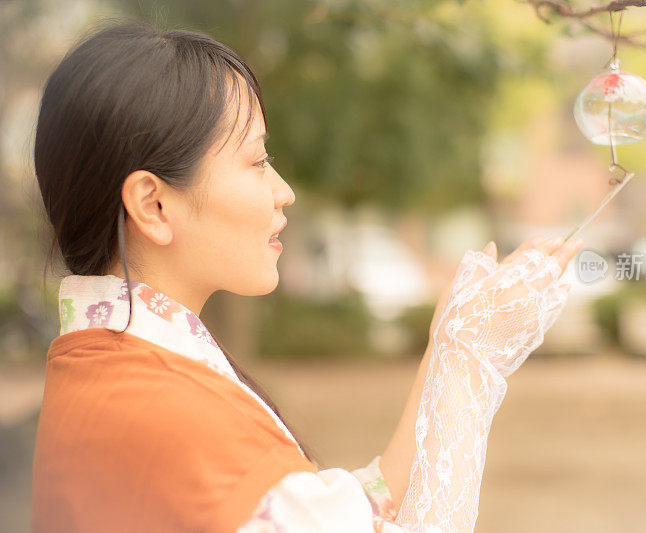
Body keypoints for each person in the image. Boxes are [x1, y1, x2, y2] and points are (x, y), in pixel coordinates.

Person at [29, 21, 583, 533]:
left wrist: (446, 349)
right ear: (153, 205)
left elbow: (348, 510)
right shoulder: (176, 419)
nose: (283, 190)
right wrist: (470, 364)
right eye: (256, 160)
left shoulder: (99, 366)